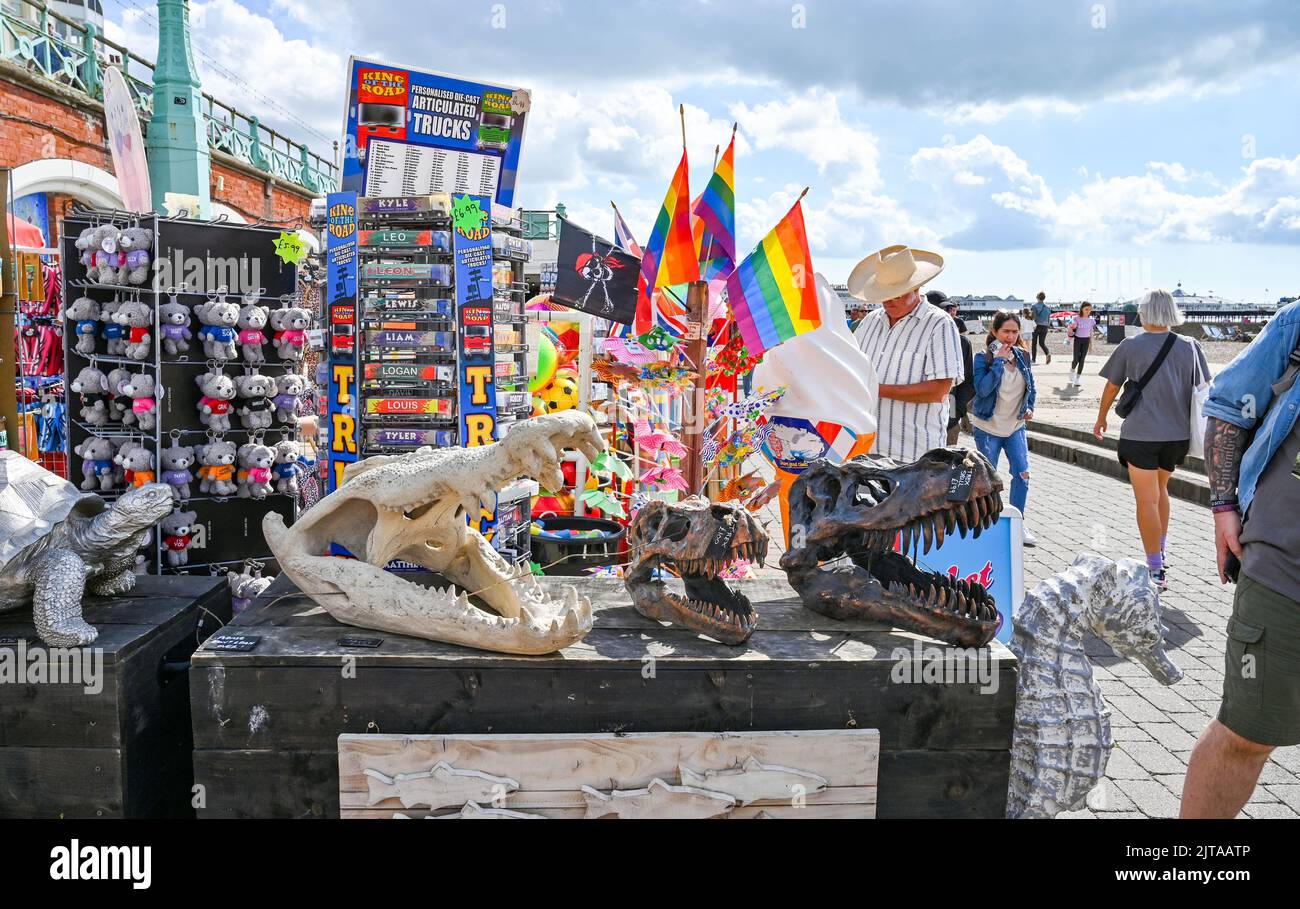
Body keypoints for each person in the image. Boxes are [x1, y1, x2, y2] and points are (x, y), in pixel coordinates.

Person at [1181, 299, 1300, 818]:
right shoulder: (1298, 323)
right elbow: (1229, 407)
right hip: (1285, 568)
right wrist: (1224, 504)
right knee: (1244, 734)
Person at [1093, 289, 1209, 590]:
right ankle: (1161, 549)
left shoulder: (1131, 345)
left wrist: (1102, 416)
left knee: (1146, 499)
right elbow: (1202, 390)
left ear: (1145, 312)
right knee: (1160, 490)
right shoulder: (1192, 346)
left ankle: (1155, 568)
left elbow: (1112, 387)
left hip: (1142, 435)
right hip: (1177, 436)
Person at [850, 245, 962, 462]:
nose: (889, 301)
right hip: (866, 448)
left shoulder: (939, 323)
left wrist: (875, 389)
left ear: (917, 288)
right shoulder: (871, 321)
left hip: (913, 455)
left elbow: (938, 390)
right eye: (884, 294)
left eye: (897, 295)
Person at [971, 310, 1037, 546]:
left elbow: (1032, 387)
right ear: (995, 332)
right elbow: (983, 390)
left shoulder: (1023, 356)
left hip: (1015, 425)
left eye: (1015, 332)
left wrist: (1030, 407)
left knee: (1022, 473)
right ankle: (988, 521)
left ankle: (1017, 523)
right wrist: (998, 361)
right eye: (1006, 331)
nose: (1010, 336)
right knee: (988, 477)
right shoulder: (983, 358)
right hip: (988, 425)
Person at [927, 291, 974, 445]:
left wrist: (956, 415)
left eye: (949, 310)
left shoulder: (963, 343)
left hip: (950, 412)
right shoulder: (917, 340)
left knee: (947, 465)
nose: (949, 314)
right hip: (921, 417)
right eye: (943, 310)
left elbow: (967, 382)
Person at [1066, 301, 1099, 387]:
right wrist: (1069, 330)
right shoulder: (1076, 318)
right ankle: (1072, 370)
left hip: (1086, 341)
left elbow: (1091, 333)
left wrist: (1091, 346)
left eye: (1090, 310)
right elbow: (1070, 327)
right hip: (1078, 339)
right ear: (1082, 309)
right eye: (1086, 309)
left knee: (1082, 360)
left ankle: (1077, 379)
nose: (1088, 311)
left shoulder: (1091, 320)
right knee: (1076, 359)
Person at [1030, 291, 1053, 364]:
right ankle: (1047, 353)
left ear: (1037, 298)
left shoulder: (1034, 306)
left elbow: (1034, 317)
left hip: (1036, 326)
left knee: (1034, 343)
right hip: (1045, 326)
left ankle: (1033, 359)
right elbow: (1049, 319)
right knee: (1041, 343)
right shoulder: (1047, 308)